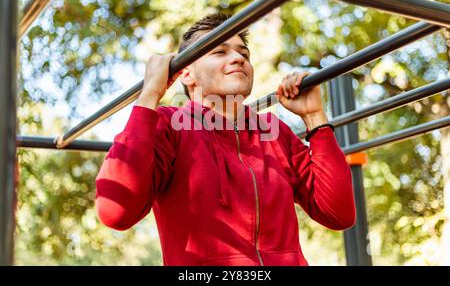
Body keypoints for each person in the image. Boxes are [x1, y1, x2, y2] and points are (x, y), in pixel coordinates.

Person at [95, 13, 356, 266]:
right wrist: (150, 93)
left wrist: (314, 118)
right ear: (186, 73)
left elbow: (338, 214)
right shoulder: (169, 125)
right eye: (220, 52)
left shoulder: (273, 130)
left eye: (243, 54)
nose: (237, 59)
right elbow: (115, 211)